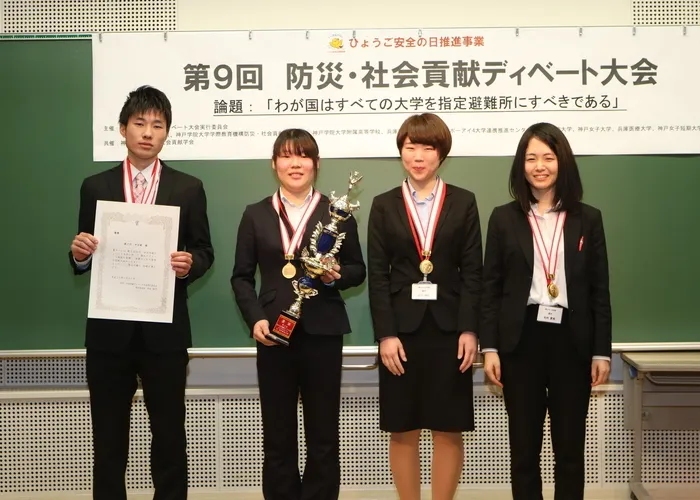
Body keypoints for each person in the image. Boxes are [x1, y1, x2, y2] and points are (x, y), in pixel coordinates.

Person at [69, 85, 214, 500]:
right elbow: (84, 252)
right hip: (108, 334)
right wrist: (79, 255)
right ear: (123, 129)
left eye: (158, 125)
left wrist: (190, 263)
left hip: (164, 334)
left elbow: (204, 251)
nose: (148, 132)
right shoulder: (95, 186)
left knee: (168, 437)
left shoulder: (188, 187)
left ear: (167, 132)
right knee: (108, 440)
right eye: (139, 123)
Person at [231, 128, 366, 500]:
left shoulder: (336, 212)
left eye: (303, 156)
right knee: (277, 434)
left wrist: (337, 274)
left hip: (323, 331)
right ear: (274, 163)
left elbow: (357, 270)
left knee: (323, 434)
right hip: (273, 332)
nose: (295, 163)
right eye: (287, 155)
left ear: (316, 164)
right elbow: (241, 277)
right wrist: (255, 318)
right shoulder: (256, 214)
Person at [480, 122, 612, 500]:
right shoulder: (503, 218)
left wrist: (601, 351)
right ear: (520, 166)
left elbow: (599, 291)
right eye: (531, 158)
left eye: (548, 157)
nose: (540, 166)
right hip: (521, 339)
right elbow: (491, 289)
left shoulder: (588, 218)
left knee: (569, 450)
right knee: (524, 451)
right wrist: (490, 347)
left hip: (572, 339)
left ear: (562, 162)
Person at [367, 113, 483, 500]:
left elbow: (473, 272)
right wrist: (385, 335)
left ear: (441, 154)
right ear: (401, 151)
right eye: (410, 147)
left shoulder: (463, 202)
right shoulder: (384, 205)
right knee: (403, 427)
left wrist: (470, 329)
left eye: (428, 148)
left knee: (448, 427)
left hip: (451, 331)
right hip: (401, 333)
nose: (418, 156)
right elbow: (378, 276)